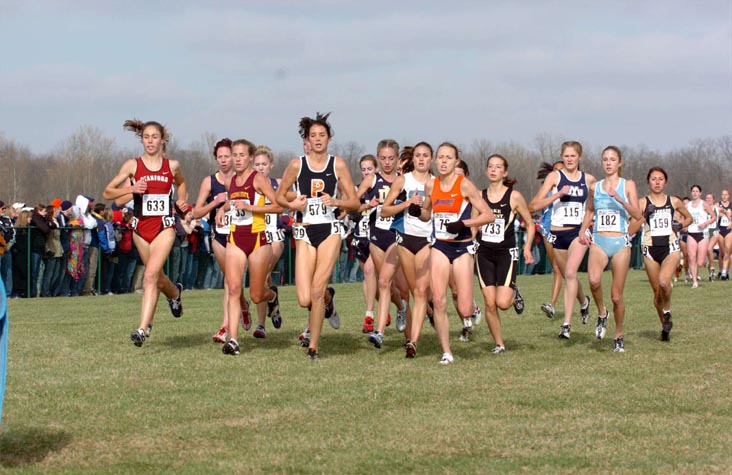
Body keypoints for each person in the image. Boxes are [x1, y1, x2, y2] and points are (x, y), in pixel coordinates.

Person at [275, 112, 359, 360]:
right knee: (304, 298)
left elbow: (354, 202)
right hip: (304, 229)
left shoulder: (338, 164)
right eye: (313, 136)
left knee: (315, 290)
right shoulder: (296, 164)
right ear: (307, 140)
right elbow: (279, 196)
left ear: (329, 138)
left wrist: (336, 200)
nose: (318, 139)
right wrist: (294, 205)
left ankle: (314, 346)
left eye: (322, 135)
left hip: (330, 229)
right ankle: (329, 299)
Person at [103, 119, 188, 347]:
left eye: (154, 137)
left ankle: (142, 328)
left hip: (164, 227)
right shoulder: (132, 165)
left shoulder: (172, 166)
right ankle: (174, 294)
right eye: (146, 137)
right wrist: (131, 188)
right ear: (141, 140)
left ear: (162, 140)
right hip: (141, 228)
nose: (150, 141)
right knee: (157, 277)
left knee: (150, 276)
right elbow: (108, 193)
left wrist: (182, 201)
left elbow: (182, 185)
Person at [410, 142, 495, 364]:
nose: (444, 161)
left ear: (456, 161)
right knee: (438, 300)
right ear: (436, 161)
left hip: (462, 247)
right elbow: (428, 214)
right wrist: (418, 212)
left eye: (449, 157)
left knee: (464, 307)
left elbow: (488, 215)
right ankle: (447, 351)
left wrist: (464, 223)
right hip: (439, 245)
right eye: (441, 157)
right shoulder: (431, 185)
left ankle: (471, 309)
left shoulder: (465, 185)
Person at [215, 139, 282, 356]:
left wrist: (251, 207)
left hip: (257, 239)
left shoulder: (259, 179)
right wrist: (222, 210)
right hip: (235, 238)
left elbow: (278, 206)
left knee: (255, 295)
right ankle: (233, 340)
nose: (237, 159)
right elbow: (232, 201)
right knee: (234, 289)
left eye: (242, 155)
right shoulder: (232, 180)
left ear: (250, 157)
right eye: (234, 155)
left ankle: (271, 296)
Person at [578, 146, 641, 352]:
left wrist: (620, 199)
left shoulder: (628, 184)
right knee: (594, 281)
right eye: (605, 159)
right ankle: (602, 313)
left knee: (616, 296)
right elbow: (589, 210)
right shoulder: (595, 187)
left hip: (621, 243)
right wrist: (581, 231)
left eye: (612, 159)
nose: (608, 162)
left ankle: (619, 334)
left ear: (620, 163)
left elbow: (638, 215)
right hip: (599, 240)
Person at [529, 141, 594, 340]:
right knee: (568, 276)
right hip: (557, 233)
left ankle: (566, 324)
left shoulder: (589, 179)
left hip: (578, 233)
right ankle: (584, 302)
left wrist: (584, 229)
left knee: (571, 272)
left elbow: (593, 208)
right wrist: (557, 194)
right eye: (566, 155)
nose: (570, 159)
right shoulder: (554, 177)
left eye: (573, 155)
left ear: (580, 157)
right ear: (562, 156)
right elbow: (533, 205)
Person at [192, 138, 251, 343]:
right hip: (219, 234)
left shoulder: (242, 178)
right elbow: (196, 211)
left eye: (228, 156)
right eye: (220, 157)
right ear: (216, 159)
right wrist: (215, 205)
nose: (225, 160)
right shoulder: (210, 182)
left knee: (231, 282)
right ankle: (243, 305)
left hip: (241, 233)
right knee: (229, 279)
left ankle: (225, 326)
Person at [476, 154, 535, 354]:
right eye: (490, 166)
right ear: (486, 171)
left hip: (506, 253)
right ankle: (499, 344)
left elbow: (530, 223)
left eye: (498, 167)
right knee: (489, 302)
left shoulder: (514, 196)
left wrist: (527, 248)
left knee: (502, 303)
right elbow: (473, 225)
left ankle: (513, 293)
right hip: (483, 252)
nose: (493, 170)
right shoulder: (479, 195)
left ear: (505, 172)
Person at [380, 142, 433, 357]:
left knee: (420, 291)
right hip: (405, 240)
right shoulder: (403, 180)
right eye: (418, 155)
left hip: (427, 240)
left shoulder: (435, 183)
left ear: (432, 159)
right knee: (412, 291)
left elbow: (429, 215)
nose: (421, 159)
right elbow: (384, 211)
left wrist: (420, 212)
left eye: (425, 155)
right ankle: (425, 317)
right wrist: (406, 205)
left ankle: (413, 342)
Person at [356, 139, 409, 349]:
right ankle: (401, 309)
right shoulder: (371, 180)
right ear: (378, 159)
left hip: (398, 236)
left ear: (397, 159)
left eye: (391, 158)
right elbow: (353, 204)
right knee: (386, 284)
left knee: (390, 283)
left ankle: (381, 331)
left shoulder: (404, 181)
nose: (387, 162)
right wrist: (366, 205)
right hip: (376, 236)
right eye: (383, 158)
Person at [629, 167, 691, 341]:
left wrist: (680, 225)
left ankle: (668, 311)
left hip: (670, 247)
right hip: (649, 249)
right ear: (648, 182)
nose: (657, 182)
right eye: (654, 179)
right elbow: (631, 229)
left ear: (665, 182)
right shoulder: (642, 203)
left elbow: (689, 218)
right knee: (657, 294)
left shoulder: (674, 201)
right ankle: (665, 326)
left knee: (664, 282)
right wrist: (644, 215)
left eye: (661, 179)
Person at [251, 145, 285, 338]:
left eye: (264, 164)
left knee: (262, 274)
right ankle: (273, 302)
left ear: (271, 165)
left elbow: (288, 202)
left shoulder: (277, 183)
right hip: (255, 235)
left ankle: (261, 325)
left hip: (274, 235)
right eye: (257, 164)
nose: (261, 167)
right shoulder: (249, 186)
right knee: (263, 278)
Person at [352, 155, 379, 333]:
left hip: (377, 237)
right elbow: (352, 211)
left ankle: (369, 315)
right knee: (368, 278)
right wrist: (364, 206)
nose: (366, 172)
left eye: (369, 168)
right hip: (360, 237)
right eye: (363, 169)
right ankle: (379, 304)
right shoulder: (357, 189)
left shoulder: (381, 187)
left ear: (376, 169)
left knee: (371, 273)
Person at [536, 161, 565, 318]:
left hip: (565, 231)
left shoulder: (573, 189)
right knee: (557, 269)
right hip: (548, 230)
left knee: (561, 269)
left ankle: (552, 304)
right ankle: (582, 300)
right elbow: (536, 205)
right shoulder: (546, 188)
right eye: (556, 171)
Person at [684, 185, 716, 288]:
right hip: (691, 233)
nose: (695, 193)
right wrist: (683, 224)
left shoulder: (704, 204)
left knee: (700, 262)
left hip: (702, 233)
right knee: (691, 257)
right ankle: (694, 281)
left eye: (697, 191)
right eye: (693, 191)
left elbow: (713, 217)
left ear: (700, 193)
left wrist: (705, 224)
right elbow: (682, 216)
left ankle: (706, 264)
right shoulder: (687, 205)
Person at [716, 189, 732, 280]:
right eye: (723, 194)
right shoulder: (718, 205)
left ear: (729, 196)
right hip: (720, 230)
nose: (724, 196)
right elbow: (713, 215)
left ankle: (725, 272)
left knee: (727, 251)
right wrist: (719, 215)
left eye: (726, 194)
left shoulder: (731, 205)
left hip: (729, 230)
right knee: (722, 253)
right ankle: (721, 270)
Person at [704, 193, 720, 281]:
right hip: (706, 231)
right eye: (707, 198)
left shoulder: (716, 208)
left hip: (714, 230)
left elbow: (726, 212)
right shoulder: (703, 209)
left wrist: (730, 221)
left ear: (713, 199)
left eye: (710, 198)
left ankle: (713, 267)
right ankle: (710, 273)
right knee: (707, 252)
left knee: (709, 249)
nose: (708, 200)